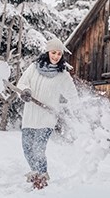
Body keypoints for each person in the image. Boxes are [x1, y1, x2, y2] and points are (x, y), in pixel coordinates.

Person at [16, 37, 78, 189]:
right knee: (27, 148)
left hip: (47, 118)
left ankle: (42, 178)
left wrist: (76, 110)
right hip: (30, 116)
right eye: (53, 52)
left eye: (59, 54)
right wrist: (25, 92)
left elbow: (72, 94)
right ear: (47, 52)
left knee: (38, 148)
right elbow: (22, 83)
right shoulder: (33, 68)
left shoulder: (62, 74)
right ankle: (36, 173)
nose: (56, 56)